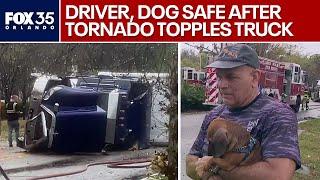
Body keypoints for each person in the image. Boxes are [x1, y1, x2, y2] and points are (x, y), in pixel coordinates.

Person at [186, 44, 300, 180]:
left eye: (231, 77)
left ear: (254, 78)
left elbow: (278, 175)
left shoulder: (277, 115)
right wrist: (208, 176)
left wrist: (215, 169)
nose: (222, 85)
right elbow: (190, 162)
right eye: (219, 77)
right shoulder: (213, 116)